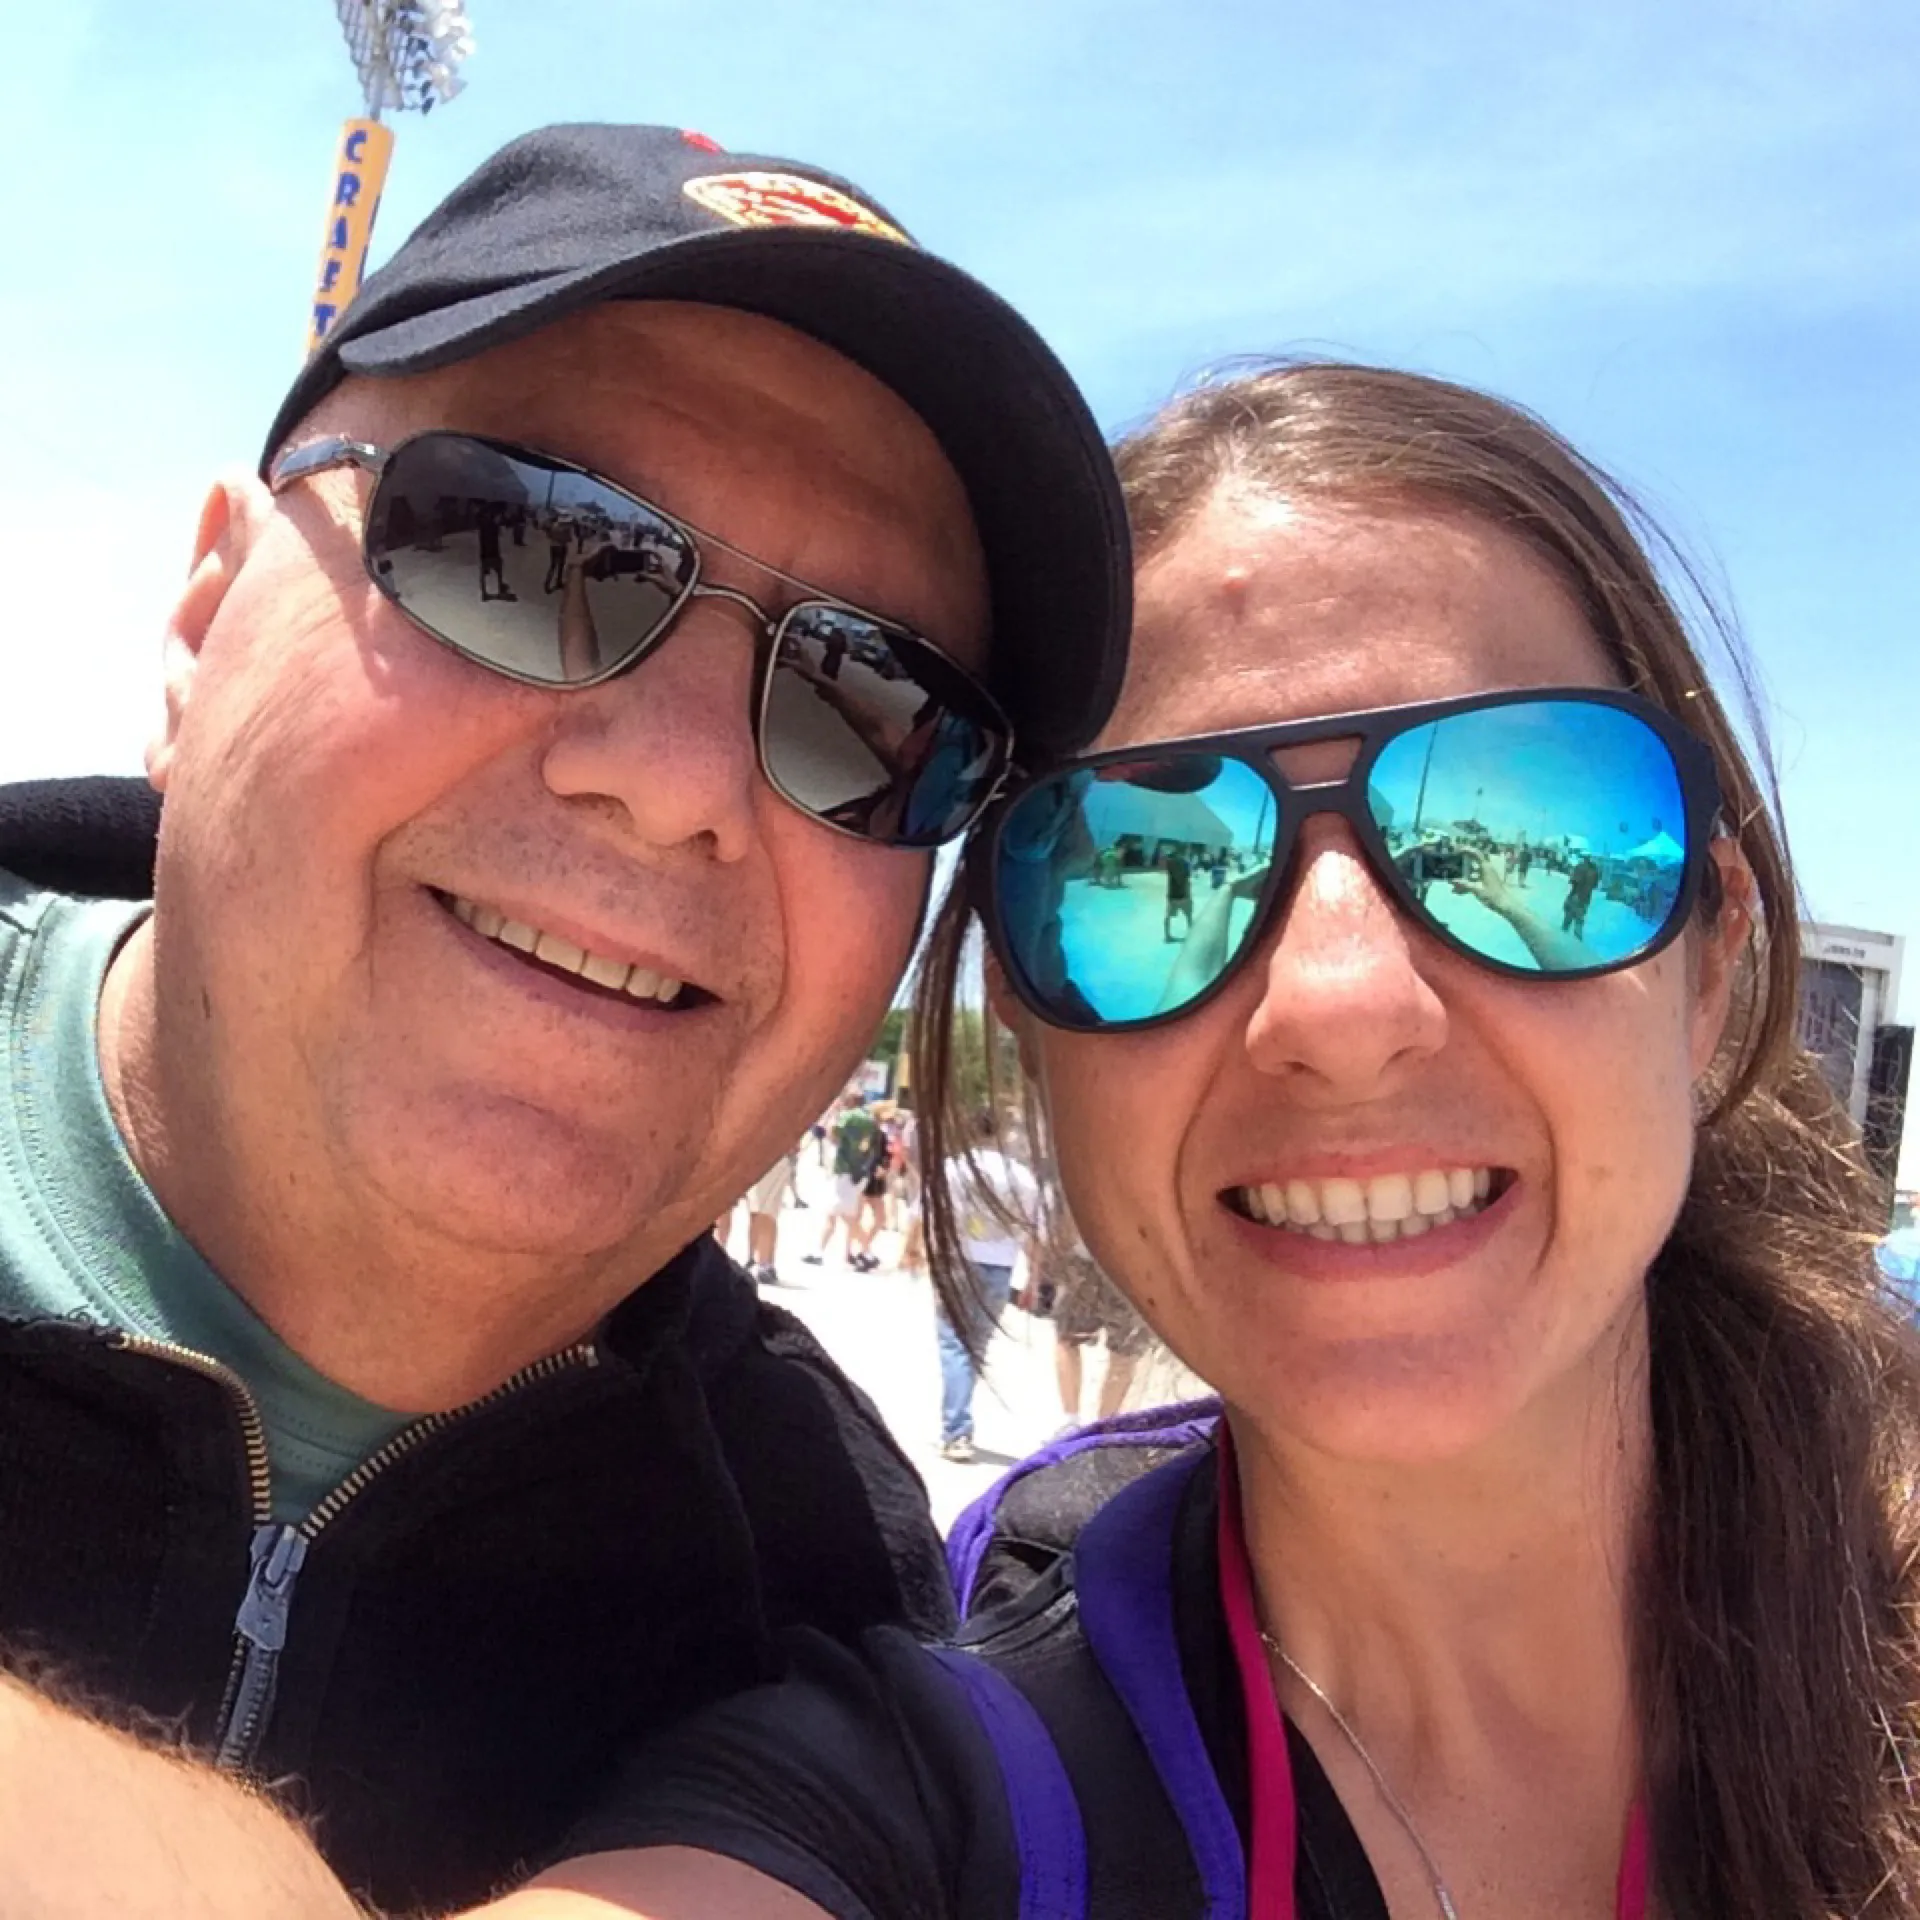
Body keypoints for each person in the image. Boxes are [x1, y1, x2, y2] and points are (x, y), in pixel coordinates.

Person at [536, 362, 1917, 1920]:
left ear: (1708, 961)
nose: (1338, 1000)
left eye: (1527, 840)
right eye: (1139, 866)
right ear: (1030, 1019)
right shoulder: (931, 1801)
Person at [0, 120, 1131, 1917]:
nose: (678, 784)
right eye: (525, 547)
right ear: (205, 616)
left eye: (871, 704)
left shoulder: (817, 1585)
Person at [934, 1109, 1040, 1462]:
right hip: (1000, 1265)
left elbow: (938, 1216)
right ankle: (959, 1422)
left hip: (959, 1259)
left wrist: (919, 1252)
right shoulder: (1022, 1177)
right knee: (974, 1346)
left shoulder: (954, 1168)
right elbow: (1032, 1231)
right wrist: (1034, 1279)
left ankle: (956, 1429)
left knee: (953, 1343)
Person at [806, 1093, 887, 1271]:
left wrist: (832, 1113)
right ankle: (818, 1252)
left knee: (844, 1216)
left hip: (845, 1172)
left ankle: (867, 1252)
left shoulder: (849, 1117)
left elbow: (828, 1134)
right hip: (860, 1173)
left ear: (848, 1102)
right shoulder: (871, 1122)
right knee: (835, 1214)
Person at [1563, 852, 1602, 938]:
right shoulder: (1594, 870)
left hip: (1575, 896)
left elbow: (1574, 881)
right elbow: (1595, 886)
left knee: (1568, 918)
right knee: (1579, 921)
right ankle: (1577, 943)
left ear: (1584, 858)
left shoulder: (1580, 867)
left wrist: (1573, 895)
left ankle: (1563, 938)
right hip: (1586, 899)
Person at [1163, 842, 1194, 938]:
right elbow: (1187, 880)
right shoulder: (1185, 863)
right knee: (1188, 916)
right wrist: (1189, 895)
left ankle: (1167, 936)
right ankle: (1192, 936)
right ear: (1185, 851)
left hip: (1172, 893)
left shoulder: (1170, 862)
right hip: (1183, 894)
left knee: (1168, 916)